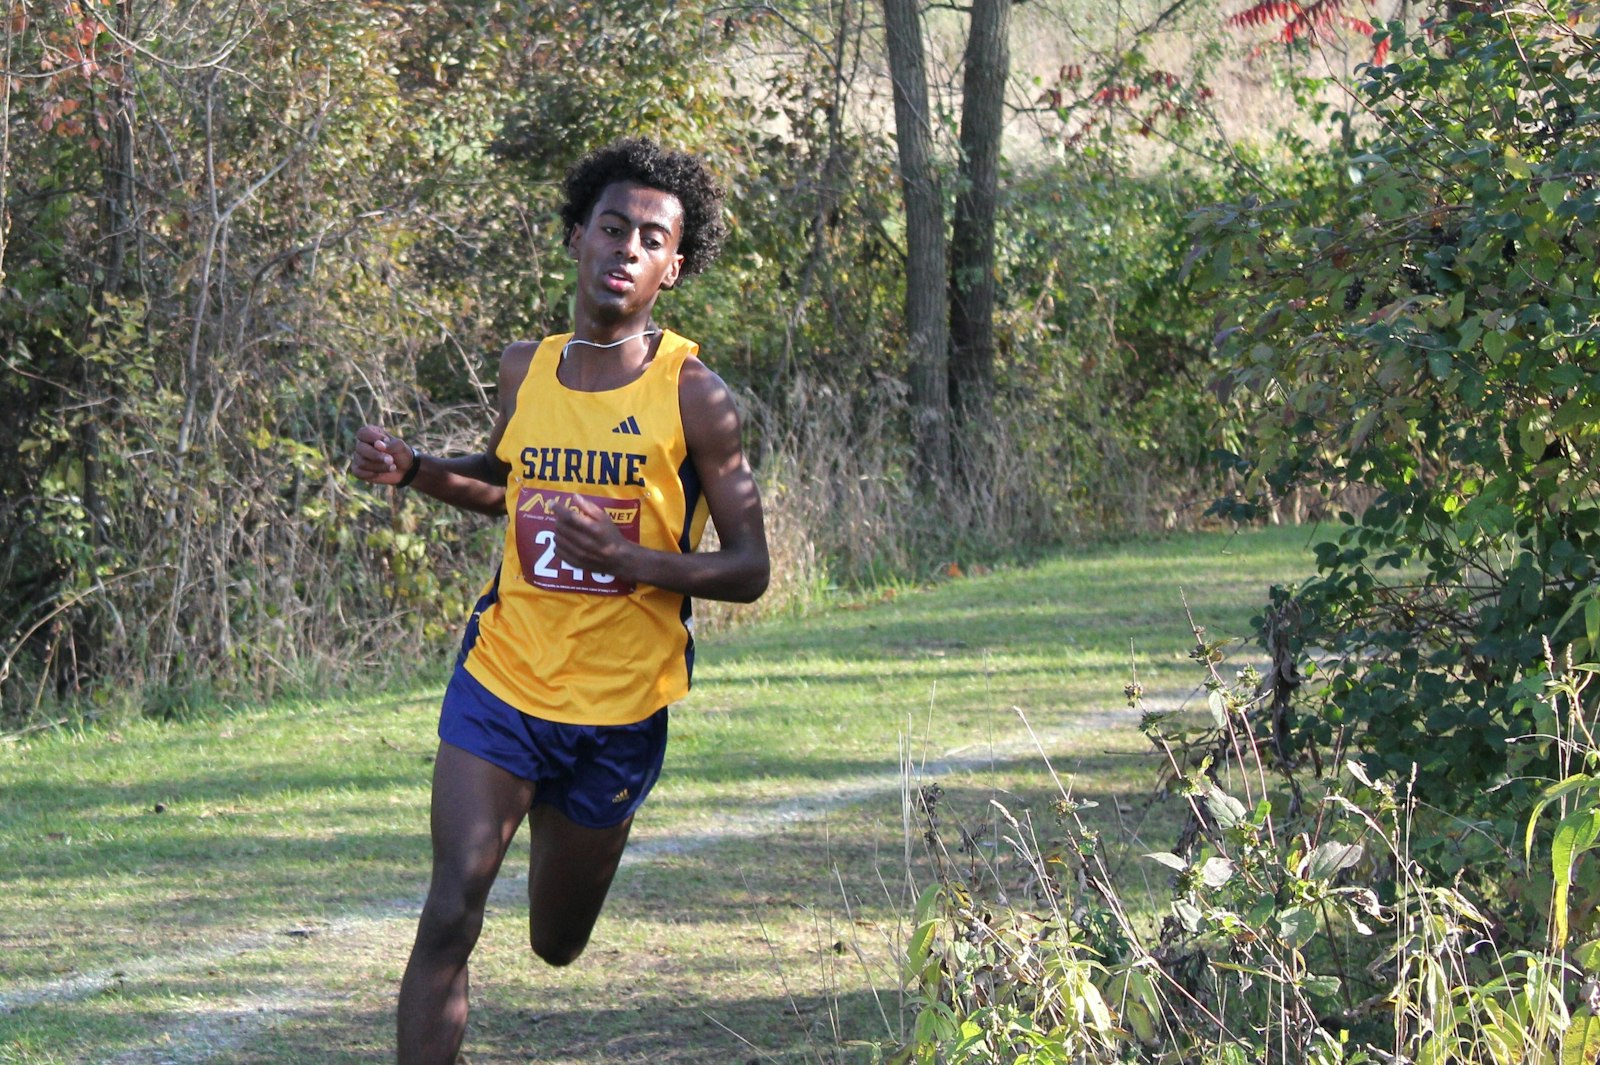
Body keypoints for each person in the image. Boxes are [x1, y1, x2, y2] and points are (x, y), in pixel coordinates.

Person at [349, 138, 769, 1065]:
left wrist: (631, 557)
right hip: (503, 679)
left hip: (618, 707)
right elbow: (504, 482)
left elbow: (748, 567)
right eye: (611, 227)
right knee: (452, 904)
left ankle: (567, 833)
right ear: (577, 237)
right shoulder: (524, 368)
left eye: (650, 239)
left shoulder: (696, 395)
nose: (625, 249)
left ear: (673, 267)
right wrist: (416, 469)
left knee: (555, 940)